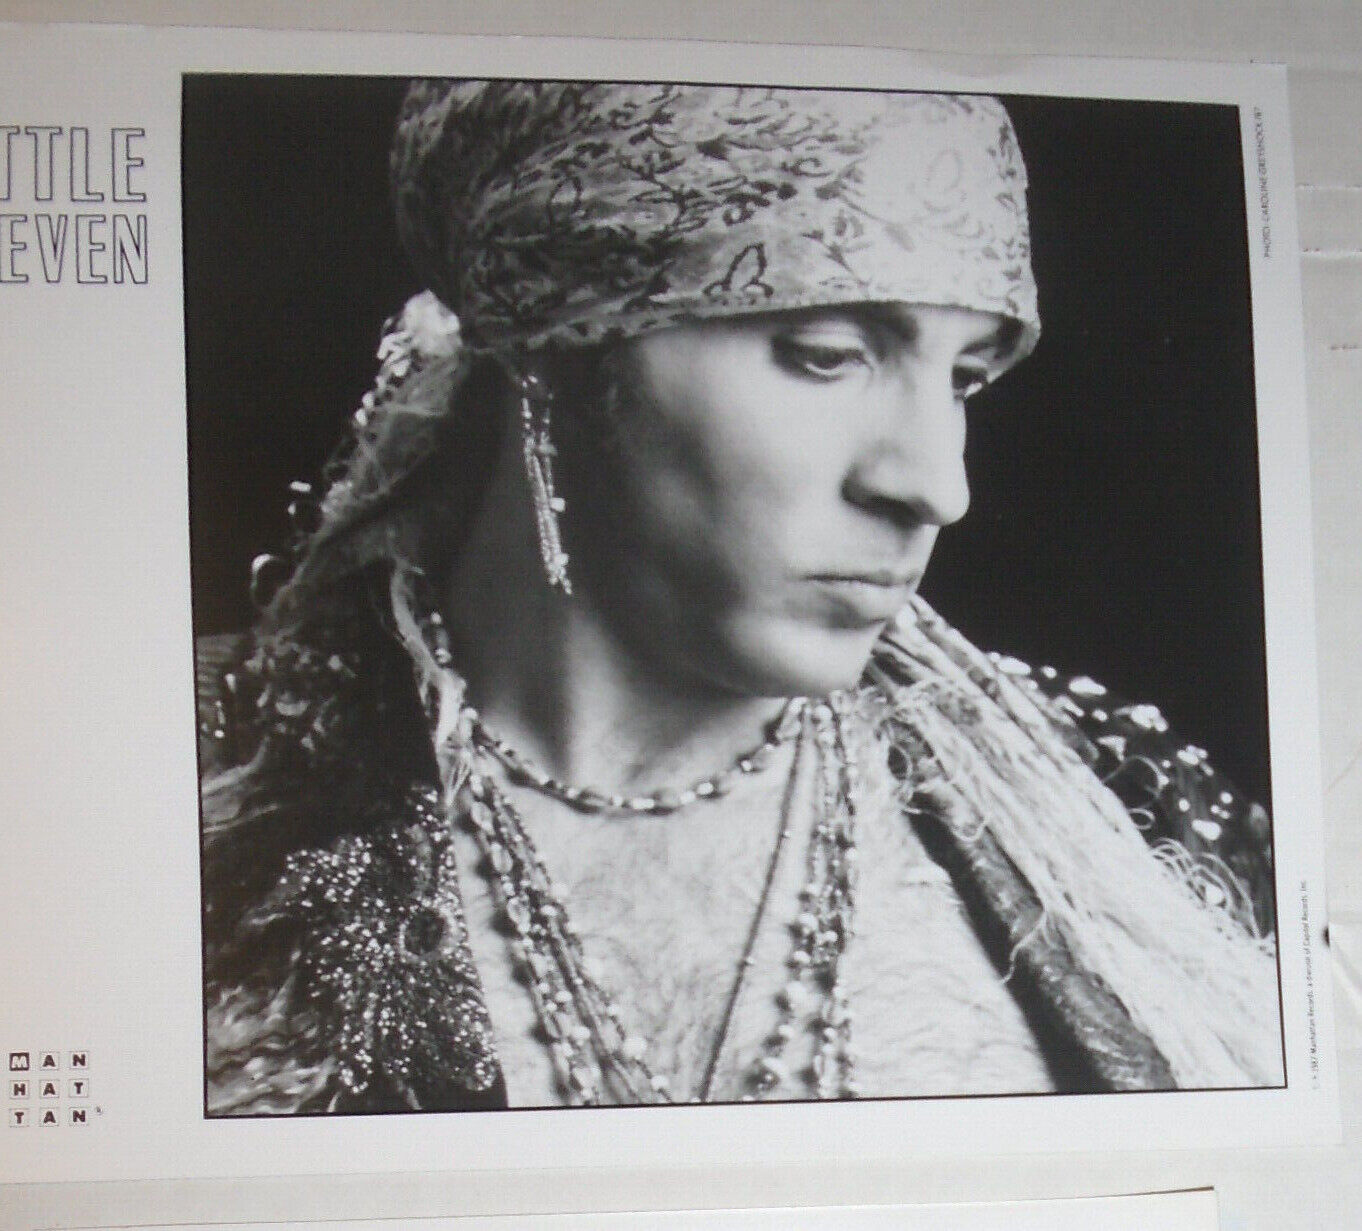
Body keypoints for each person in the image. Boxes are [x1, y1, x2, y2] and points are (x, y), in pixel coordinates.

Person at [197, 81, 1282, 1115]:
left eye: (965, 379)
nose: (936, 486)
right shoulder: (189, 795)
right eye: (827, 355)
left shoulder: (1128, 809)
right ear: (557, 352)